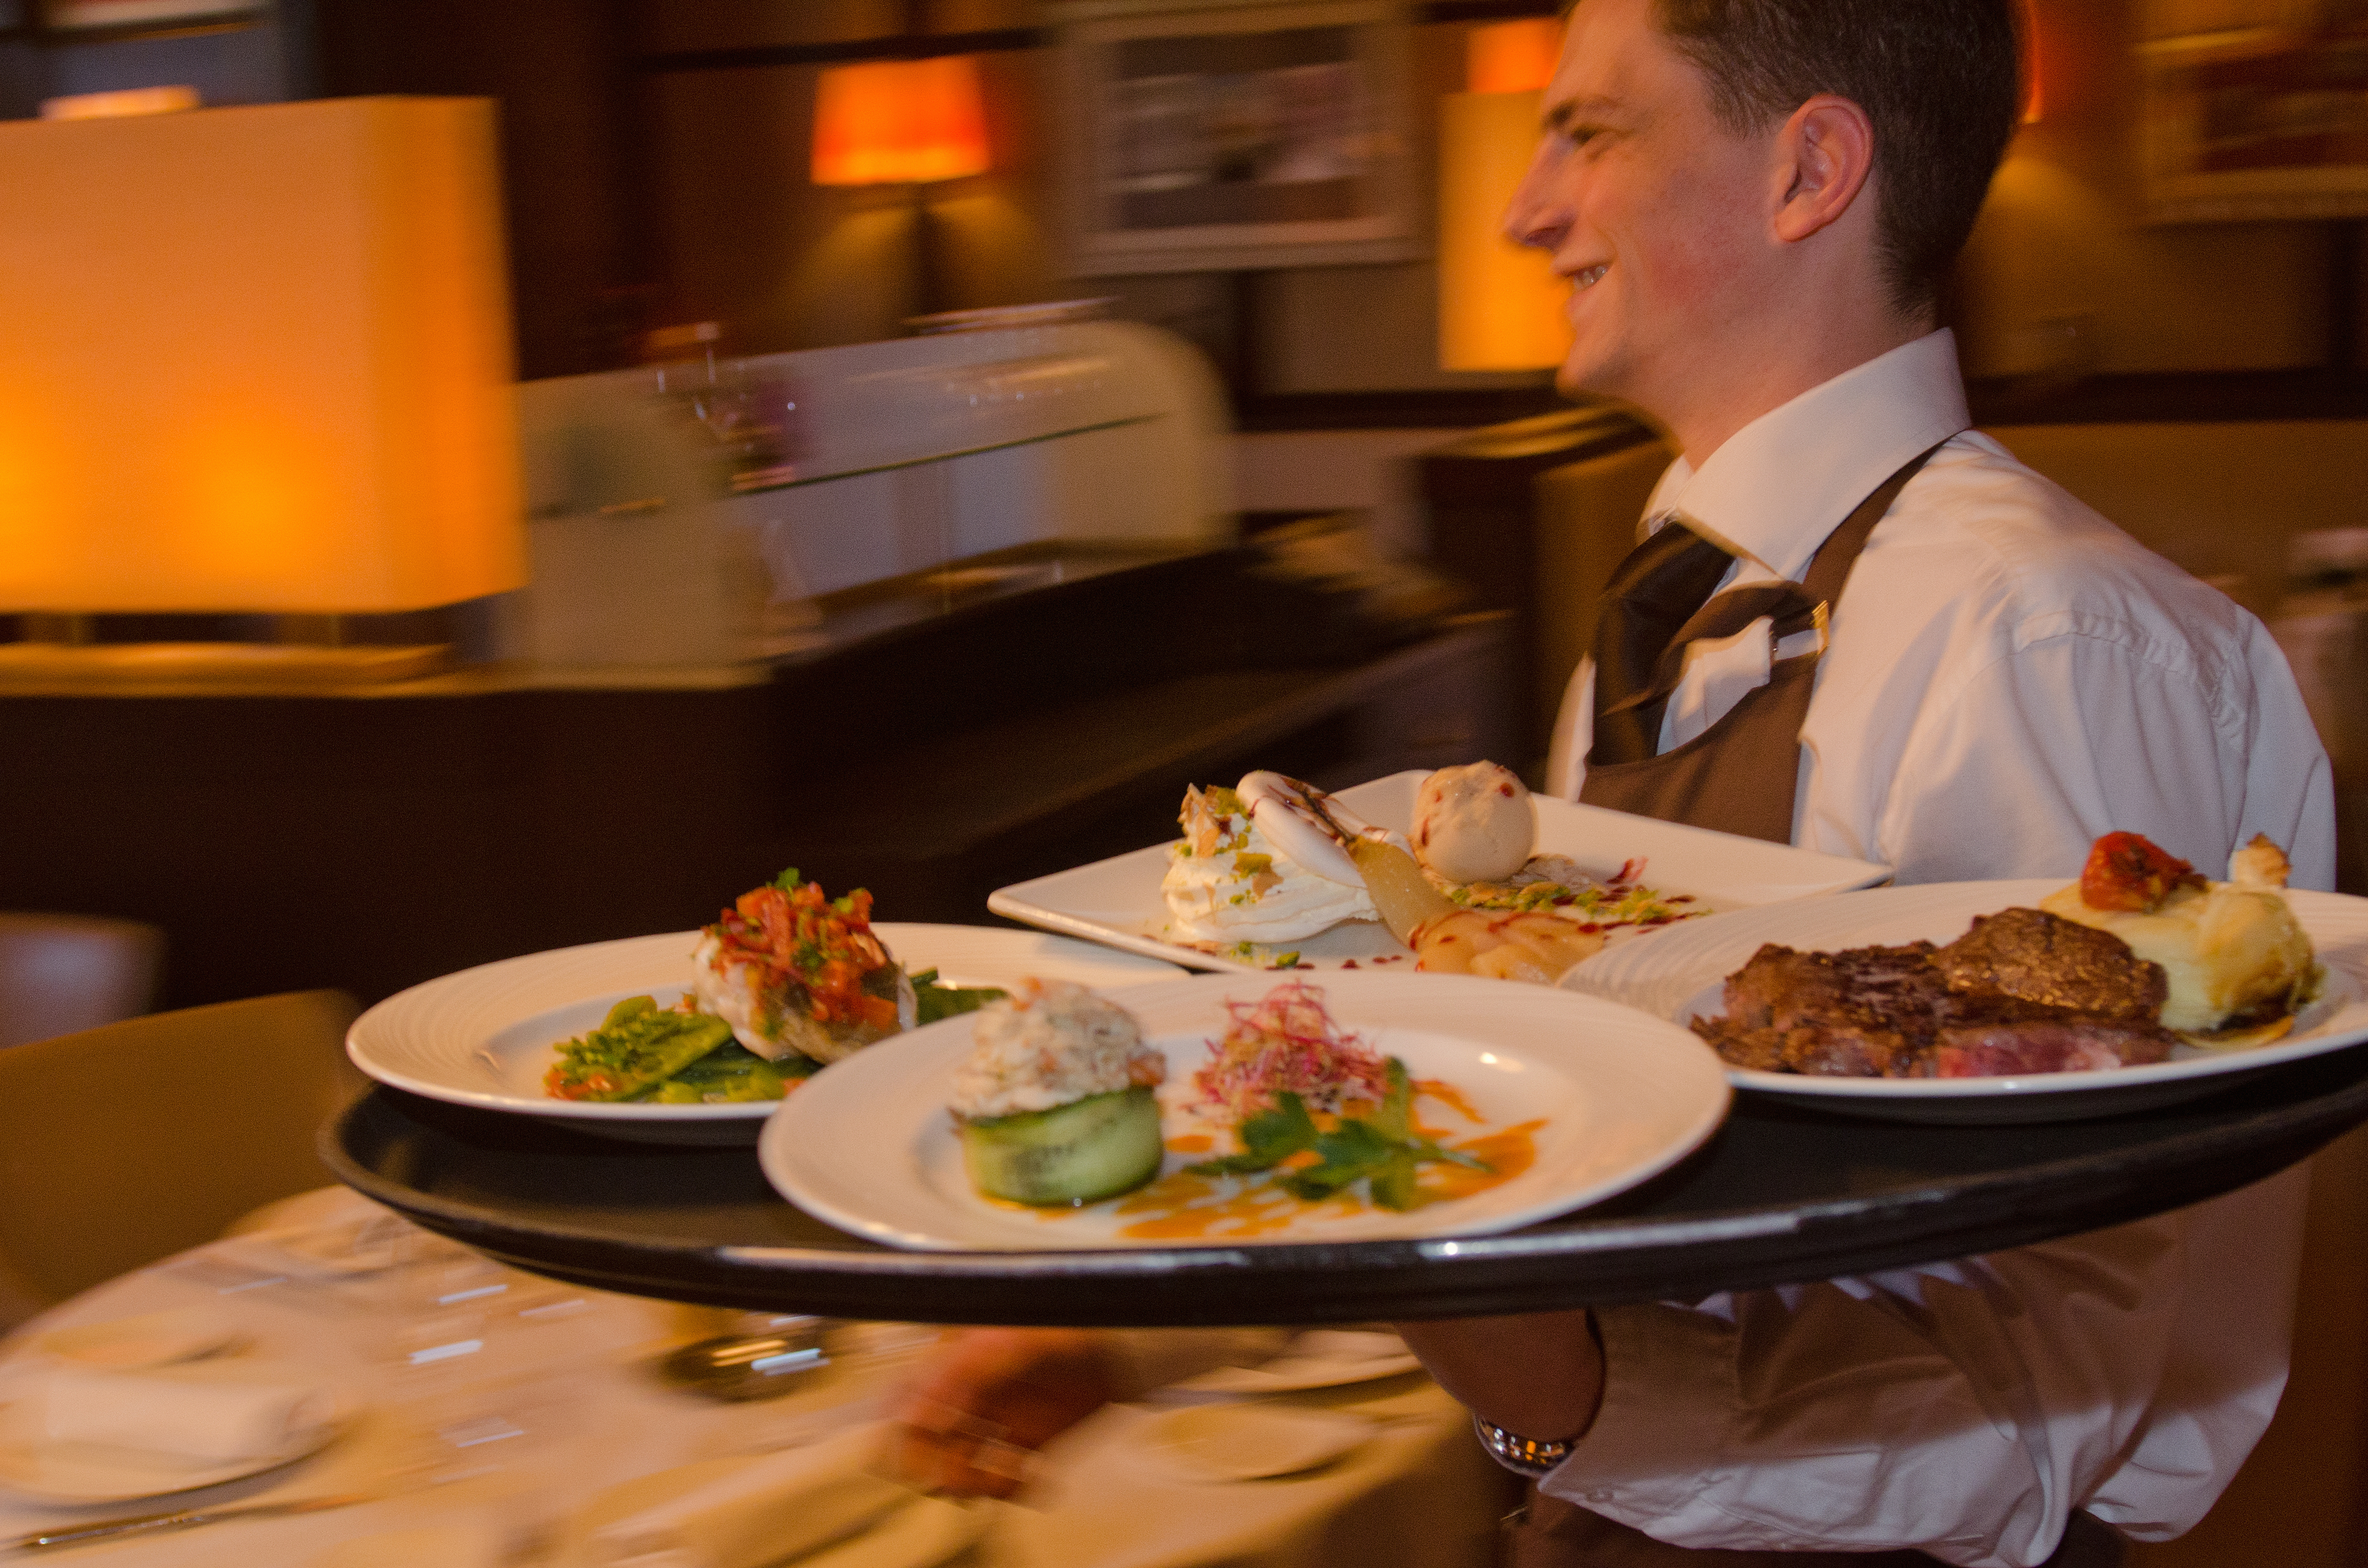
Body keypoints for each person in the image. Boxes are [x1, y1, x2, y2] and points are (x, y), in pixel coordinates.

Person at [887, 1, 2335, 1561]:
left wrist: (1560, 1413)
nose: (1524, 208)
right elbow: (1565, 1190)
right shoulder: (1678, 608)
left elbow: (2052, 1401)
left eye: (1591, 129)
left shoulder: (2039, 635)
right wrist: (1154, 1336)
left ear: (1810, 170)